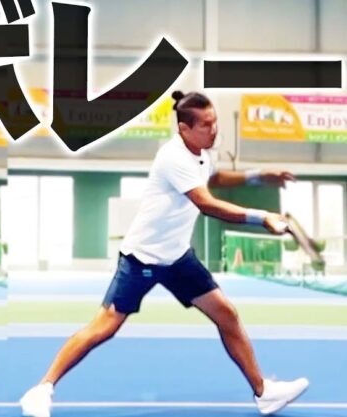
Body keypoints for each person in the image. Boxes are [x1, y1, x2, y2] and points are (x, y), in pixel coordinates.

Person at [19, 90, 308, 417]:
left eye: (215, 122)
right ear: (184, 129)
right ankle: (41, 389)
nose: (214, 130)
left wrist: (258, 176)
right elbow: (206, 203)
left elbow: (214, 177)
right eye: (206, 125)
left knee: (226, 314)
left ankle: (263, 392)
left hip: (178, 258)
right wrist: (262, 217)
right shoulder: (173, 157)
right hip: (142, 258)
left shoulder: (202, 154)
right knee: (104, 327)